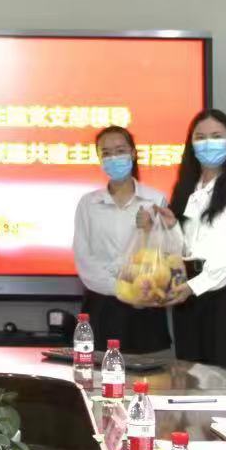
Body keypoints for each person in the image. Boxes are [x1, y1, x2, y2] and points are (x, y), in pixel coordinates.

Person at [164, 109, 226, 373]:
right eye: (201, 137)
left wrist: (195, 286)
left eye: (216, 136)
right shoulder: (186, 188)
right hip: (187, 295)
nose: (208, 143)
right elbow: (184, 247)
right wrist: (170, 227)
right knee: (189, 379)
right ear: (191, 144)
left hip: (224, 294)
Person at [70, 124, 172, 354]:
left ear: (133, 153)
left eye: (120, 151)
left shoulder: (154, 200)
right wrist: (122, 288)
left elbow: (164, 255)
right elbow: (84, 259)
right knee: (99, 373)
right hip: (101, 306)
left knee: (149, 374)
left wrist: (150, 231)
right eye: (106, 153)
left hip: (144, 306)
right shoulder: (88, 204)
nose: (113, 158)